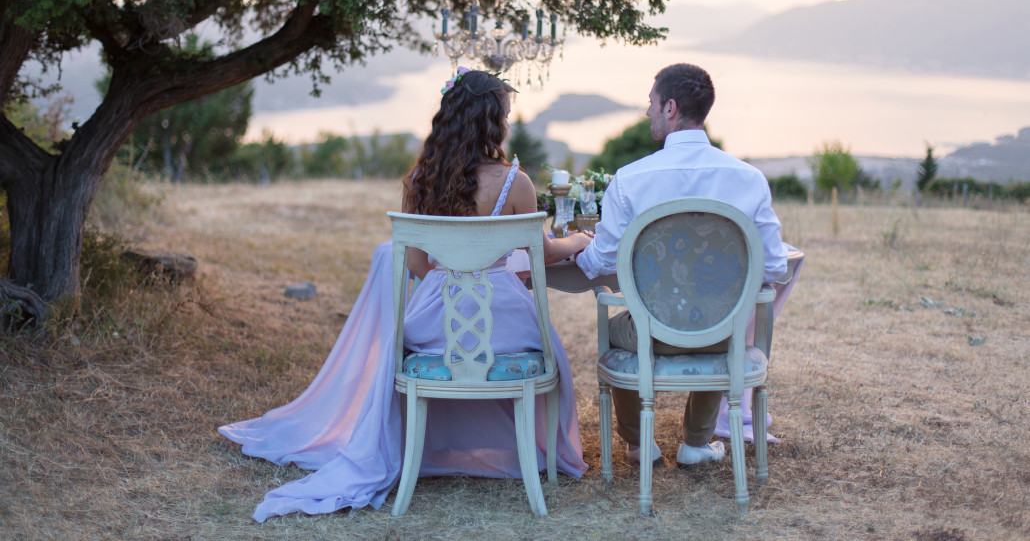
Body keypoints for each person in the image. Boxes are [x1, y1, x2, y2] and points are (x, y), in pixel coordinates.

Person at [219, 69, 592, 522]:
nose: (509, 125)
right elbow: (542, 254)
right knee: (553, 352)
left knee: (443, 325)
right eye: (506, 117)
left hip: (437, 327)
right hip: (504, 328)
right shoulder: (517, 181)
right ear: (493, 123)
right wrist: (577, 241)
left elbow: (417, 266)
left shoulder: (423, 179)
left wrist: (458, 266)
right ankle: (541, 456)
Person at [575, 63, 789, 467]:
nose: (647, 112)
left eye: (651, 103)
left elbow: (600, 260)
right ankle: (696, 443)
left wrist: (574, 250)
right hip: (720, 330)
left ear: (670, 107)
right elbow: (776, 267)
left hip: (652, 330)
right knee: (721, 316)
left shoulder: (630, 179)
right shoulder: (748, 179)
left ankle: (639, 443)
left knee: (617, 324)